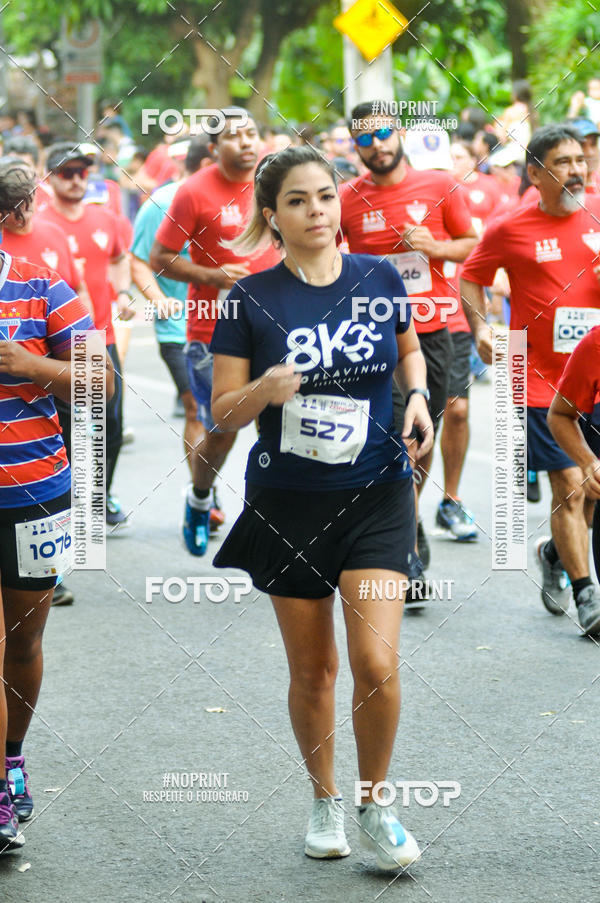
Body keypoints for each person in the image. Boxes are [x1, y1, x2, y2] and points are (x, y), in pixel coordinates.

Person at [210, 145, 433, 871]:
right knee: (316, 672)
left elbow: (409, 349)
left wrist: (421, 396)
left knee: (376, 660)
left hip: (377, 492)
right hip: (290, 503)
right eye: (299, 201)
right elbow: (222, 412)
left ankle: (376, 802)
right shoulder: (249, 299)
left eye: (327, 196)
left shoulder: (377, 276)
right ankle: (325, 797)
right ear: (272, 216)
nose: (318, 211)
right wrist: (263, 391)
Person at [0, 164, 114, 851]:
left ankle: (13, 754)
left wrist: (32, 366)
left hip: (34, 489)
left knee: (24, 642)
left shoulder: (39, 283)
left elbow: (99, 380)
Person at [460, 123, 600, 635]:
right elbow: (470, 276)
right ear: (535, 174)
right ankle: (588, 597)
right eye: (562, 163)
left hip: (595, 372)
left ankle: (556, 554)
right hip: (537, 375)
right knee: (570, 482)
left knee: (590, 492)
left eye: (580, 161)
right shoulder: (507, 227)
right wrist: (481, 329)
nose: (576, 170)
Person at [341, 103, 477, 566]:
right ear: (355, 146)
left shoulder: (439, 185)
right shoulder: (346, 198)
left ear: (397, 132)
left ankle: (413, 515)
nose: (376, 144)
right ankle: (408, 541)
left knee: (424, 434)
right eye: (364, 138)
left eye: (382, 133)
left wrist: (435, 247)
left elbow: (471, 244)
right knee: (397, 437)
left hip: (435, 329)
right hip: (377, 336)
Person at [150, 110, 279, 555]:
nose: (245, 142)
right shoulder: (193, 191)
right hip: (213, 334)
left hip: (277, 329)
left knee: (282, 428)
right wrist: (215, 274)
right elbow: (161, 257)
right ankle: (200, 496)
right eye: (233, 136)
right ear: (213, 147)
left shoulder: (275, 181)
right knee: (223, 431)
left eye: (252, 133)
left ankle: (275, 522)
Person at [38, 142, 134, 529]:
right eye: (67, 173)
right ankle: (61, 502)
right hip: (52, 346)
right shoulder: (38, 222)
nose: (78, 180)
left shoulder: (104, 219)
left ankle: (98, 497)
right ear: (49, 177)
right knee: (63, 427)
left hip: (99, 338)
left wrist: (123, 291)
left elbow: (119, 257)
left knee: (108, 423)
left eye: (83, 172)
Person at [131, 136, 211, 481]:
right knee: (195, 409)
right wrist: (159, 301)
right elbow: (137, 261)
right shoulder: (162, 203)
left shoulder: (241, 203)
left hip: (230, 326)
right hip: (178, 327)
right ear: (207, 166)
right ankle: (203, 496)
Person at [548, 327, 600, 609]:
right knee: (573, 489)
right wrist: (588, 462)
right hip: (539, 377)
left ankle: (559, 548)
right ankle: (581, 586)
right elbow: (560, 415)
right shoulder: (594, 345)